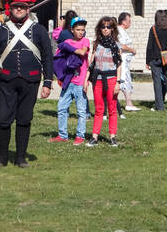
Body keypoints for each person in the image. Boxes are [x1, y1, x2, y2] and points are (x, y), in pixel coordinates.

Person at [0, 0, 53, 168]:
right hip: (5, 82)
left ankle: (20, 157)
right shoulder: (0, 31)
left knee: (24, 119)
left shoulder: (39, 31)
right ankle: (2, 158)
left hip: (31, 82)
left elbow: (47, 57)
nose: (19, 9)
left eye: (22, 6)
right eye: (15, 6)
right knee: (3, 119)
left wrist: (47, 83)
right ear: (9, 7)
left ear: (28, 8)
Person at [53, 18, 91, 144]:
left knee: (81, 111)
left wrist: (68, 48)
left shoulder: (85, 41)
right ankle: (62, 135)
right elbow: (59, 53)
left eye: (83, 30)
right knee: (62, 108)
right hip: (68, 81)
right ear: (72, 30)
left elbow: (82, 51)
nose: (81, 32)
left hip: (80, 82)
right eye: (78, 30)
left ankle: (80, 136)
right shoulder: (67, 41)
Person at [87, 16, 122, 147]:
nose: (105, 29)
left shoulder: (116, 45)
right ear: (99, 29)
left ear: (113, 29)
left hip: (112, 79)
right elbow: (91, 63)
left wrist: (118, 82)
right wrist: (86, 80)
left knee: (112, 109)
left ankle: (112, 136)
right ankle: (94, 136)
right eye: (103, 27)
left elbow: (119, 64)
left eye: (108, 27)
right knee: (98, 109)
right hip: (98, 79)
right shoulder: (96, 44)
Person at [116, 11, 138, 114]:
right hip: (123, 59)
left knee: (126, 80)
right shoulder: (119, 31)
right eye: (129, 21)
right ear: (124, 21)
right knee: (123, 80)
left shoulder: (123, 31)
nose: (130, 23)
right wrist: (131, 50)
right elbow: (121, 45)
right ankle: (128, 103)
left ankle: (129, 102)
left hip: (126, 60)